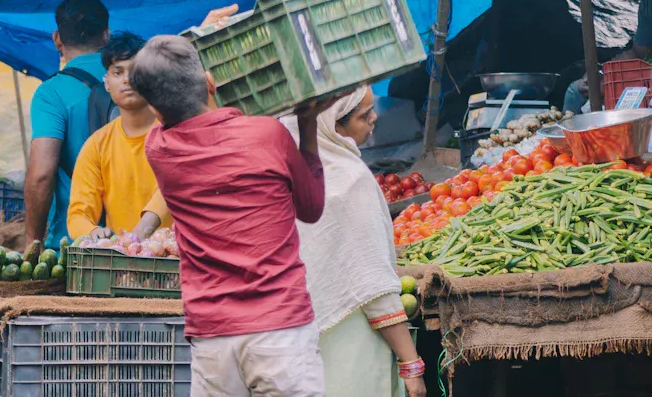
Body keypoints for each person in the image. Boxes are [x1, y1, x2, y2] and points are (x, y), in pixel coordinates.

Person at [130, 35, 332, 397]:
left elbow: (172, 103)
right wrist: (308, 123)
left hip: (212, 338)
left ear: (156, 111)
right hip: (280, 328)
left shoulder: (158, 148)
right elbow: (312, 207)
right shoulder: (268, 134)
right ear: (210, 83)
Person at [280, 88, 427, 397]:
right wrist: (410, 362)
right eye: (364, 115)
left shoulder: (281, 172)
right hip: (351, 343)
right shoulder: (350, 180)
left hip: (293, 348)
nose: (375, 119)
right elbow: (373, 286)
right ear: (332, 125)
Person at [66, 31, 172, 241]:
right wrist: (92, 232)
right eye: (118, 72)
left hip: (175, 259)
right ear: (107, 83)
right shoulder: (96, 145)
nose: (127, 80)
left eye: (135, 71)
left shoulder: (174, 133)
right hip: (122, 264)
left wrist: (141, 233)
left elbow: (174, 186)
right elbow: (79, 213)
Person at [24, 0, 111, 249]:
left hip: (74, 245)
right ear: (107, 35)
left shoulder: (52, 92)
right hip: (139, 241)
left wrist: (33, 242)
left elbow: (41, 175)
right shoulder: (136, 80)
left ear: (57, 39)